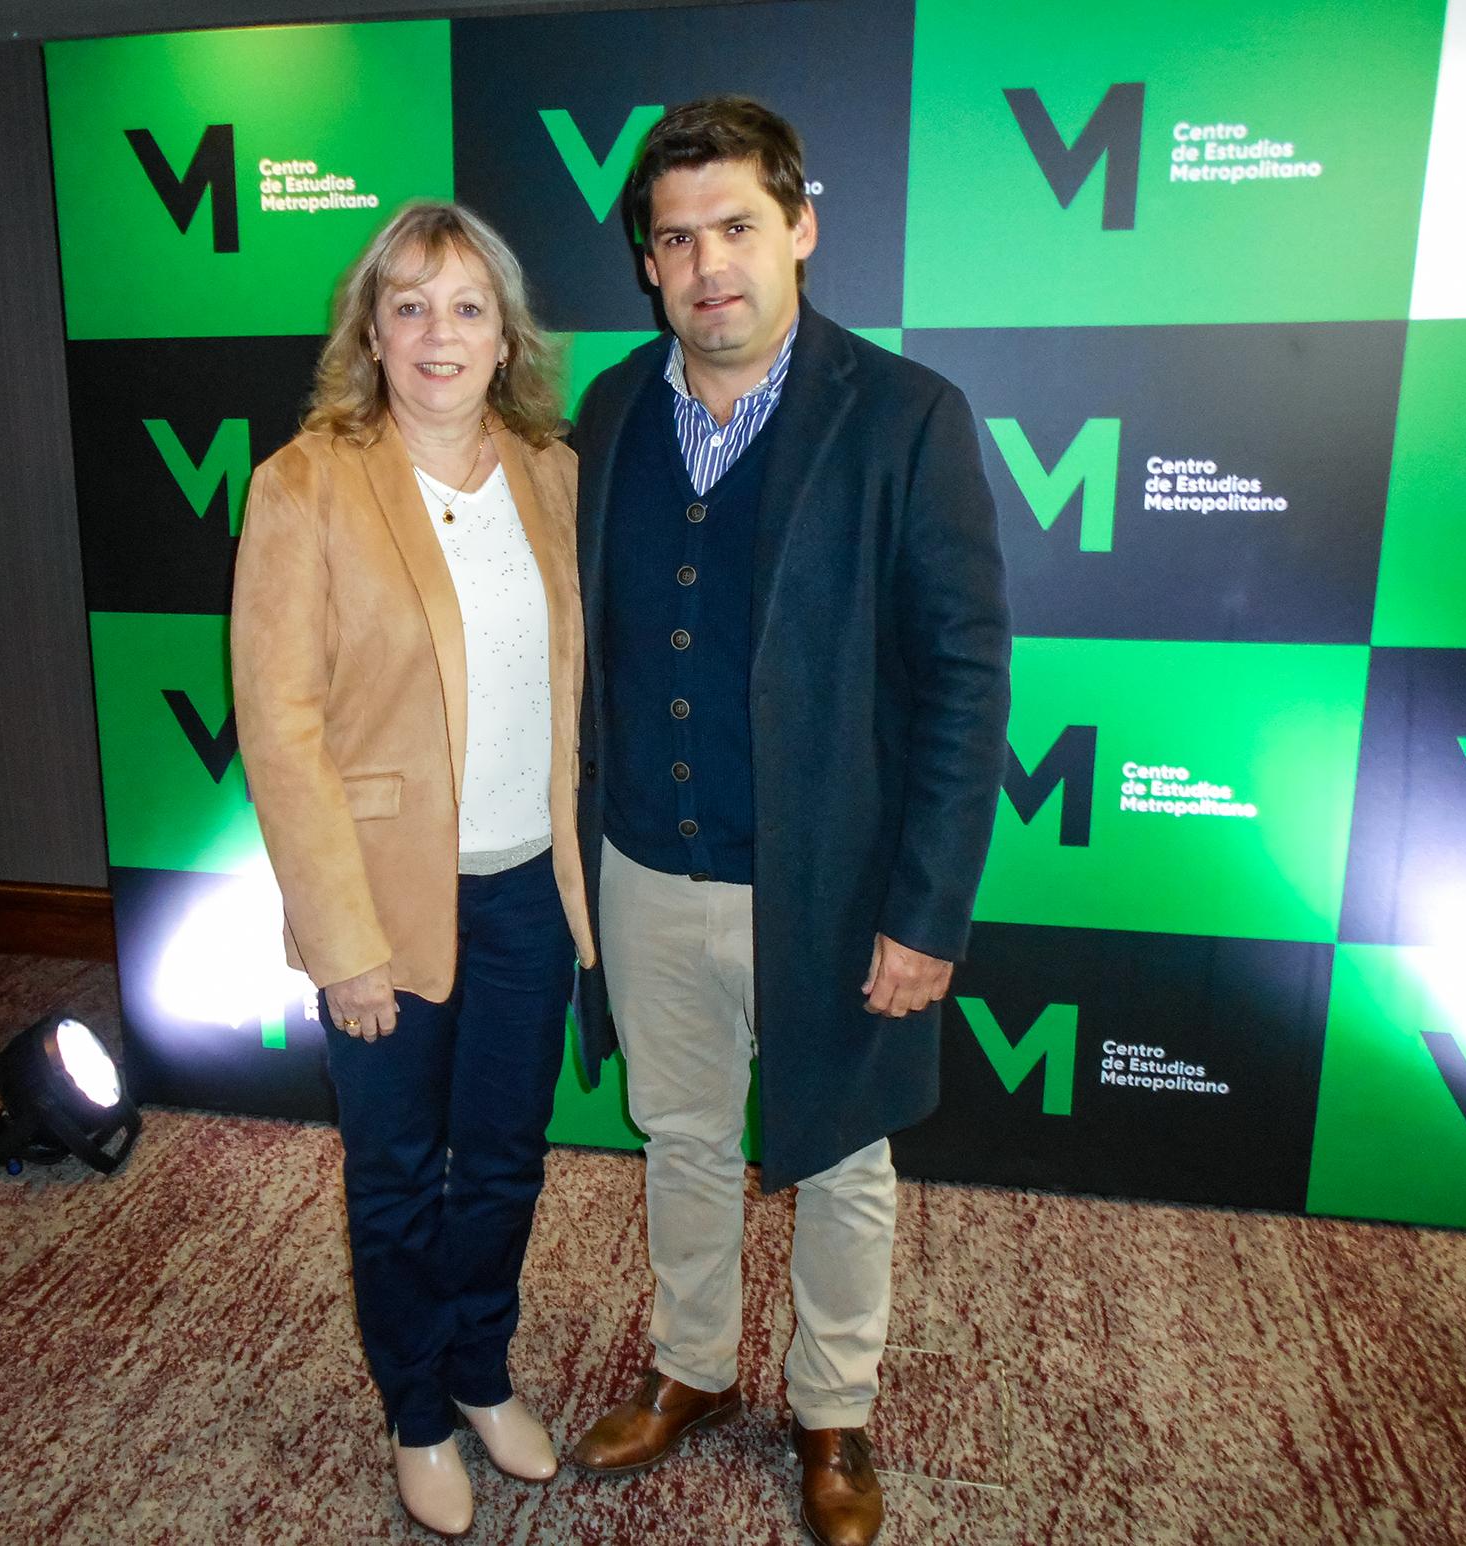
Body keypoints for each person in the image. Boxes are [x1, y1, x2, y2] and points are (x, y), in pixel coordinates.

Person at [566, 98, 1012, 1546]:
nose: (709, 266)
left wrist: (925, 907)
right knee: (681, 1134)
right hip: (645, 860)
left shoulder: (904, 417)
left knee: (839, 1151)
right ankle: (693, 1361)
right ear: (647, 261)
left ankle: (832, 1408)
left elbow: (961, 677)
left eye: (738, 227)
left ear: (801, 228)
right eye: (676, 237)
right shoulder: (614, 412)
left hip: (824, 887)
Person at [229, 201, 594, 1538]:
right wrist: (342, 939)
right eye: (409, 305)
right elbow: (281, 724)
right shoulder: (304, 481)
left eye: (466, 306)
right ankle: (418, 1409)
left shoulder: (549, 472)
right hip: (383, 905)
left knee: (502, 1160)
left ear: (504, 338)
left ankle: (484, 1369)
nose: (438, 333)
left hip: (523, 895)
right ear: (369, 332)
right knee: (395, 1173)